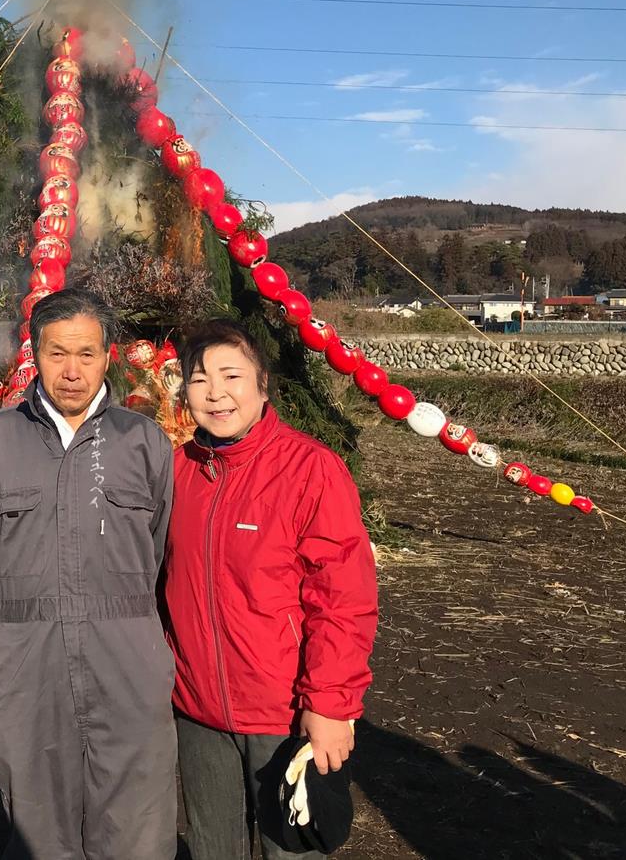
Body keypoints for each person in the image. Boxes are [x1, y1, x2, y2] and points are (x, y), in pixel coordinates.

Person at [0, 288, 177, 860]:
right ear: (35, 352)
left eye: (86, 354)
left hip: (127, 649)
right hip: (27, 652)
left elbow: (158, 552)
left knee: (136, 820)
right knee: (36, 820)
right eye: (58, 353)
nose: (72, 371)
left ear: (109, 355)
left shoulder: (145, 441)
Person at [162, 319, 378, 860]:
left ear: (263, 385)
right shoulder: (178, 472)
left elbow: (344, 602)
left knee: (291, 849)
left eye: (231, 375)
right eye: (199, 379)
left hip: (283, 714)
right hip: (198, 712)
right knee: (215, 849)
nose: (216, 393)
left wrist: (329, 705)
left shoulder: (310, 470)